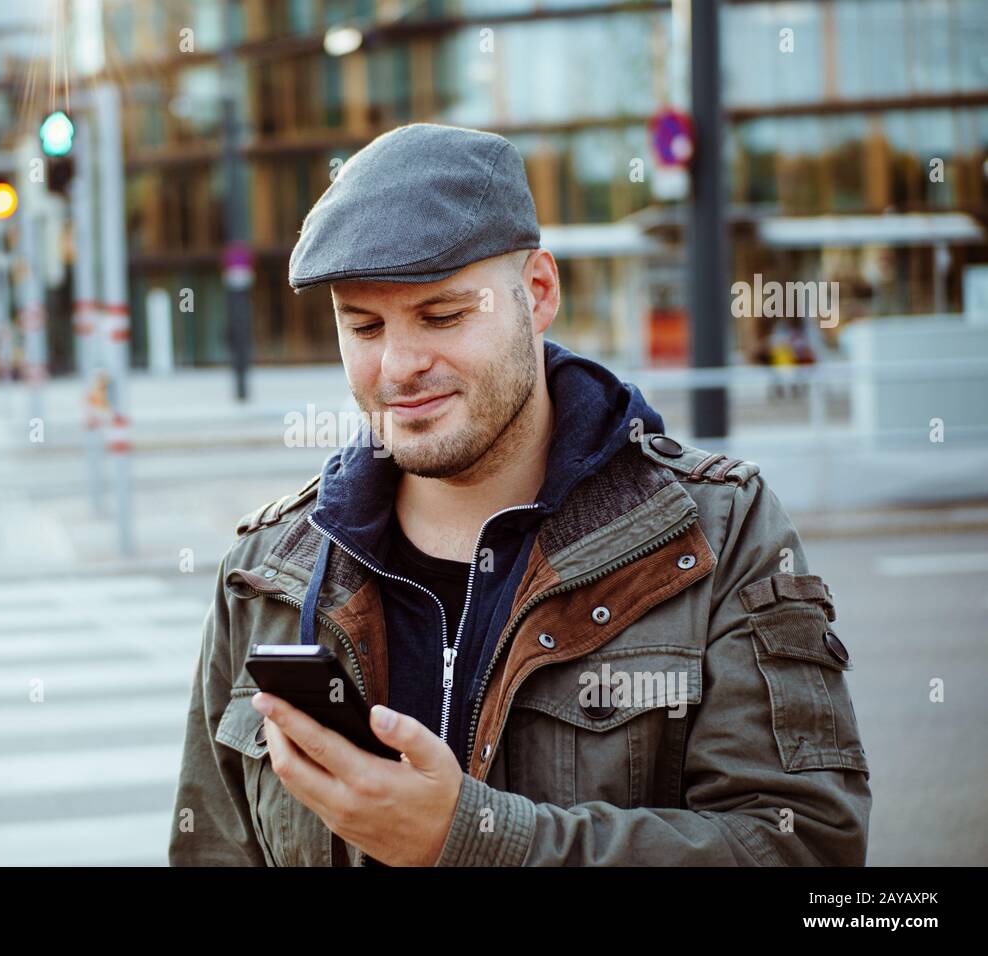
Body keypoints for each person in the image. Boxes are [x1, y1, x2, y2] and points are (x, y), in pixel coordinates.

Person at [168, 123, 870, 867]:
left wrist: (472, 841)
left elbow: (806, 849)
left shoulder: (718, 533)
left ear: (537, 292)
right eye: (364, 326)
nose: (399, 365)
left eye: (442, 316)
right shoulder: (264, 574)